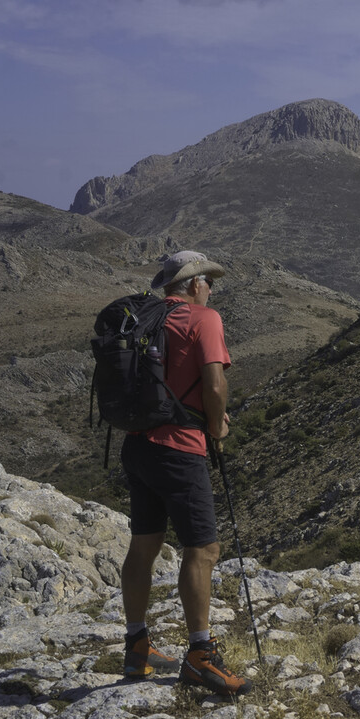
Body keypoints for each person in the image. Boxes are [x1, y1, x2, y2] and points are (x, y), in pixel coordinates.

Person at [117, 250, 252, 696]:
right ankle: (200, 656)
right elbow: (214, 384)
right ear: (194, 285)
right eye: (209, 282)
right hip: (180, 448)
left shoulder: (149, 318)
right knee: (204, 549)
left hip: (138, 446)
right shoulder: (202, 319)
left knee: (145, 544)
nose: (211, 289)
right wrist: (217, 426)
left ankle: (137, 646)